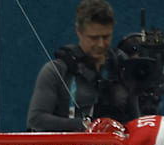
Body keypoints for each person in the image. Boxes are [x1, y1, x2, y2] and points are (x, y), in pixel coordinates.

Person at [27, 0, 135, 132]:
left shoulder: (123, 68)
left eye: (106, 37)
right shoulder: (55, 71)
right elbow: (36, 120)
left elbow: (137, 120)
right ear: (79, 32)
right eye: (94, 38)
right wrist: (84, 126)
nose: (101, 44)